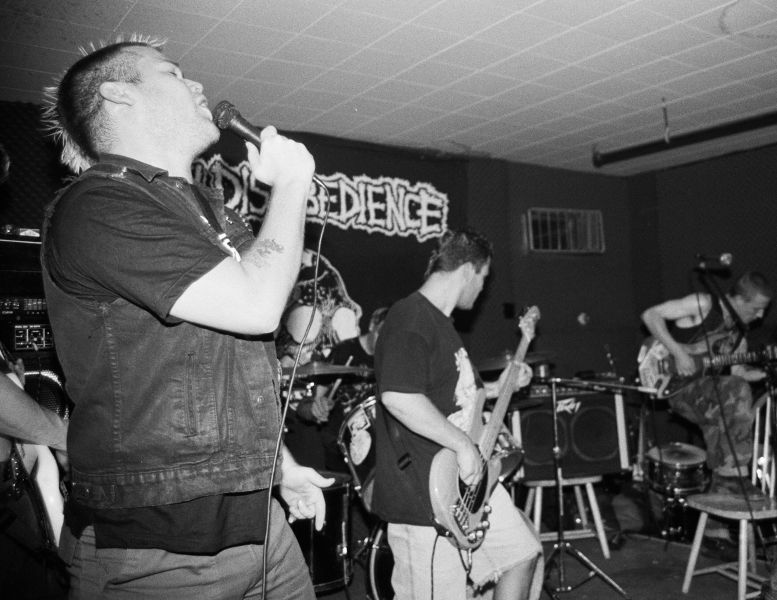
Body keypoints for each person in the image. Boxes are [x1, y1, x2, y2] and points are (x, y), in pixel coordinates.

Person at [41, 35, 332, 599]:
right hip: (157, 546)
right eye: (173, 73)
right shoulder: (98, 206)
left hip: (261, 529)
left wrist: (282, 468)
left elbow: (236, 362)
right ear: (118, 95)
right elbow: (257, 305)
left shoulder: (212, 215)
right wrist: (295, 182)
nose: (197, 84)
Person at [372, 228, 544, 600]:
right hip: (425, 497)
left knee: (521, 555)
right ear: (468, 270)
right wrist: (464, 446)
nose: (482, 289)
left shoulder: (441, 324)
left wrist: (497, 388)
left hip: (467, 487)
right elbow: (398, 396)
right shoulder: (410, 316)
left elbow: (452, 397)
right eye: (483, 278)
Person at [641, 271, 772, 559]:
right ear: (739, 299)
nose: (761, 315)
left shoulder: (739, 334)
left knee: (724, 428)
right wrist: (678, 353)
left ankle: (715, 528)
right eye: (756, 308)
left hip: (706, 394)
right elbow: (650, 315)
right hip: (675, 386)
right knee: (735, 394)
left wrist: (766, 373)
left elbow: (739, 373)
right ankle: (735, 478)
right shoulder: (703, 304)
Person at [285, 307, 388, 472]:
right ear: (372, 325)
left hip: (375, 443)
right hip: (339, 444)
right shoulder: (344, 352)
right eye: (381, 333)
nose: (384, 341)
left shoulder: (390, 361)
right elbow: (305, 407)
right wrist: (316, 408)